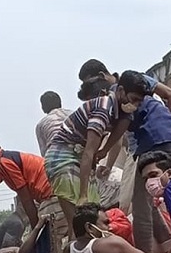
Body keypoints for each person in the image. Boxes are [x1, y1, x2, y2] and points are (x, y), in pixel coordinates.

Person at [48, 74, 145, 221]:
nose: (135, 105)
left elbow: (113, 140)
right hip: (63, 157)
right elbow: (89, 151)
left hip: (81, 158)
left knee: (94, 219)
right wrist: (83, 195)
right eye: (133, 99)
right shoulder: (103, 109)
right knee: (77, 220)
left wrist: (103, 153)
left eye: (139, 101)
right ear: (120, 91)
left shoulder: (126, 115)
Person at [104, 85, 171, 253]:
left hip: (153, 147)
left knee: (141, 205)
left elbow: (116, 139)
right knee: (155, 199)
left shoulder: (120, 102)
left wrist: (102, 158)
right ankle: (169, 247)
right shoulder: (147, 96)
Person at [36, 91, 71, 157]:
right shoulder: (72, 114)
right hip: (79, 150)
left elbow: (44, 153)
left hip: (56, 157)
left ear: (43, 106)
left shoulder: (40, 125)